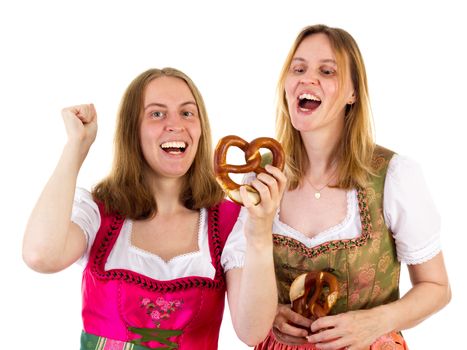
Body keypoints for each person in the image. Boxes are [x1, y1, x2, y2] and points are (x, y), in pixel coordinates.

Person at [22, 68, 286, 349]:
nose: (175, 124)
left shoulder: (229, 221)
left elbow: (252, 332)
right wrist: (77, 147)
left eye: (187, 113)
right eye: (157, 114)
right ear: (131, 129)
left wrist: (259, 232)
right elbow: (40, 256)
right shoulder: (100, 213)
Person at [254, 25, 451, 350]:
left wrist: (377, 321)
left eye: (326, 71)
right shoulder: (259, 175)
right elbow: (232, 281)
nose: (308, 78)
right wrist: (269, 313)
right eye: (298, 68)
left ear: (353, 94)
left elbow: (437, 286)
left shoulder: (394, 176)